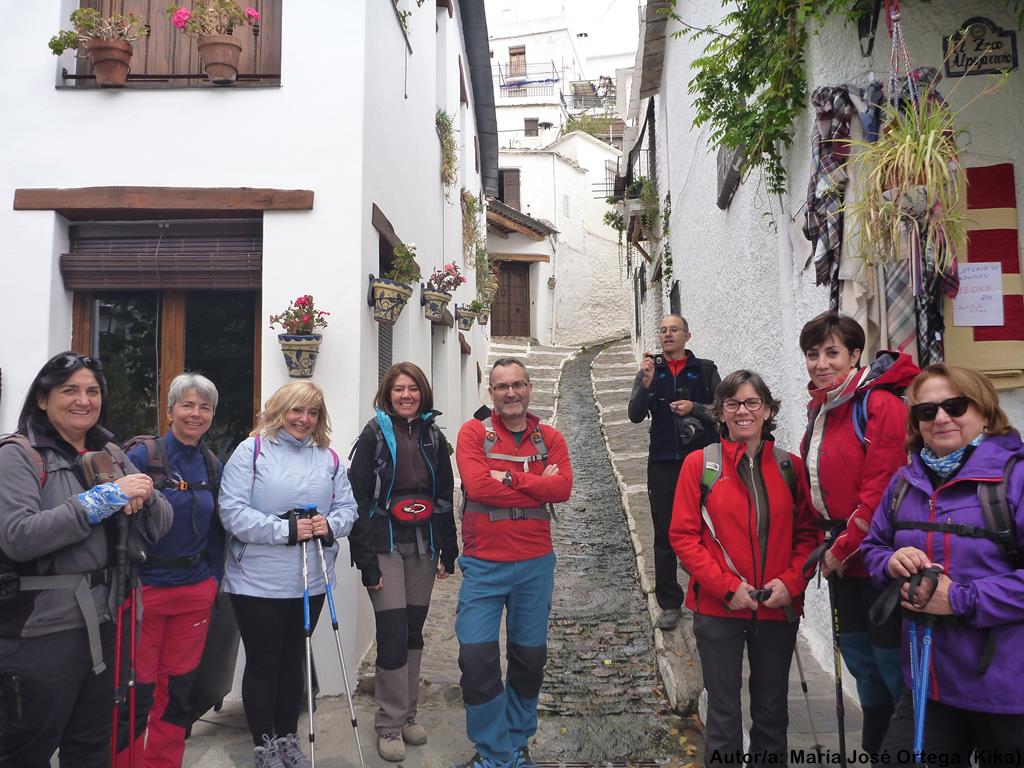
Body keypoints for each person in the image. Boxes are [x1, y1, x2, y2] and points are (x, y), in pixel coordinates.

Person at [0, 352, 172, 768]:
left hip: (108, 624)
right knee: (26, 751)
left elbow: (163, 522)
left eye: (92, 391)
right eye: (70, 390)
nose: (83, 400)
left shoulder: (109, 451)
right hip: (40, 633)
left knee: (92, 748)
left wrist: (144, 493)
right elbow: (19, 537)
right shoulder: (16, 455)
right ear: (42, 399)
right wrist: (106, 498)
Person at [861, 364, 1024, 764]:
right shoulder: (905, 483)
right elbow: (874, 547)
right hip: (928, 684)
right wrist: (891, 563)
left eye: (954, 405)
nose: (941, 418)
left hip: (1009, 691)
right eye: (927, 411)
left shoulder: (1016, 480)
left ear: (984, 411)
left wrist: (962, 598)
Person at [669, 370, 818, 764]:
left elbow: (809, 537)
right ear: (720, 413)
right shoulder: (699, 465)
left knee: (771, 713)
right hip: (719, 610)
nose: (743, 411)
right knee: (723, 714)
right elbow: (684, 537)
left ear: (768, 410)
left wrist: (791, 583)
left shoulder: (791, 468)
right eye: (733, 404)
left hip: (776, 607)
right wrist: (726, 587)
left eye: (753, 402)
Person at [218, 381, 358, 768]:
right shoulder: (253, 451)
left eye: (312, 413)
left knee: (295, 658)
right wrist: (285, 531)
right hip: (257, 582)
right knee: (264, 661)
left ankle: (288, 738)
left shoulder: (327, 458)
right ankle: (265, 744)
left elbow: (348, 508)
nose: (304, 419)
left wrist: (328, 525)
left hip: (310, 578)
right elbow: (232, 512)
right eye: (297, 410)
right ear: (280, 411)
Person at [798, 311, 919, 753]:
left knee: (890, 664)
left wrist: (841, 549)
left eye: (832, 353)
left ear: (854, 354)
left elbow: (881, 491)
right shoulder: (823, 407)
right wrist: (820, 545)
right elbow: (818, 484)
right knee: (860, 660)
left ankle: (902, 749)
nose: (821, 363)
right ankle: (876, 746)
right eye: (813, 355)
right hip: (842, 558)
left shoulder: (880, 404)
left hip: (878, 559)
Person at [451, 357, 574, 768]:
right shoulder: (473, 433)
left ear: (529, 388)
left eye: (518, 385)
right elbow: (477, 485)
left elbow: (564, 488)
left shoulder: (550, 437)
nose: (511, 393)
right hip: (484, 565)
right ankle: (494, 752)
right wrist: (539, 486)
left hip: (536, 564)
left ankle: (517, 742)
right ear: (491, 392)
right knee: (476, 658)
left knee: (529, 659)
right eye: (502, 386)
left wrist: (512, 479)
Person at [348, 362, 459, 763]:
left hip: (424, 547)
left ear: (422, 392)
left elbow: (445, 496)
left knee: (413, 631)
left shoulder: (433, 435)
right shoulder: (374, 435)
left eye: (412, 388)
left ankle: (409, 713)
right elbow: (357, 501)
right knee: (392, 631)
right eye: (398, 389)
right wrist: (366, 561)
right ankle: (390, 724)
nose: (406, 395)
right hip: (385, 546)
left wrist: (449, 550)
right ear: (387, 394)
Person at [115, 373, 224, 768]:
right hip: (145, 592)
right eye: (187, 405)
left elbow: (217, 531)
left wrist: (213, 581)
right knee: (136, 690)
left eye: (204, 407)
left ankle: (162, 762)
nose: (196, 414)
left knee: (177, 690)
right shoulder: (144, 456)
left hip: (194, 593)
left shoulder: (212, 464)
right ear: (170, 410)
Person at [628, 314, 720, 631]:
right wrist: (646, 383)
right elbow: (635, 415)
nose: (668, 335)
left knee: (708, 528)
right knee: (664, 533)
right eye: (663, 330)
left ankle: (709, 591)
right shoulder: (650, 370)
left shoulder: (705, 370)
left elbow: (722, 412)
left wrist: (693, 407)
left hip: (704, 462)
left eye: (674, 330)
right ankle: (669, 603)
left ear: (687, 336)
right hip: (663, 461)